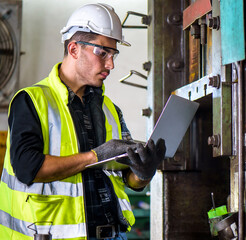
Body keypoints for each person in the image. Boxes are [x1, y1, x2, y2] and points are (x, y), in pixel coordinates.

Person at [0, 3, 166, 240]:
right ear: (74, 49)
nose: (111, 64)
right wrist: (96, 155)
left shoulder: (110, 109)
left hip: (112, 235)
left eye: (113, 54)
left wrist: (144, 172)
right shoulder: (31, 101)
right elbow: (28, 168)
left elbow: (128, 179)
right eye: (103, 52)